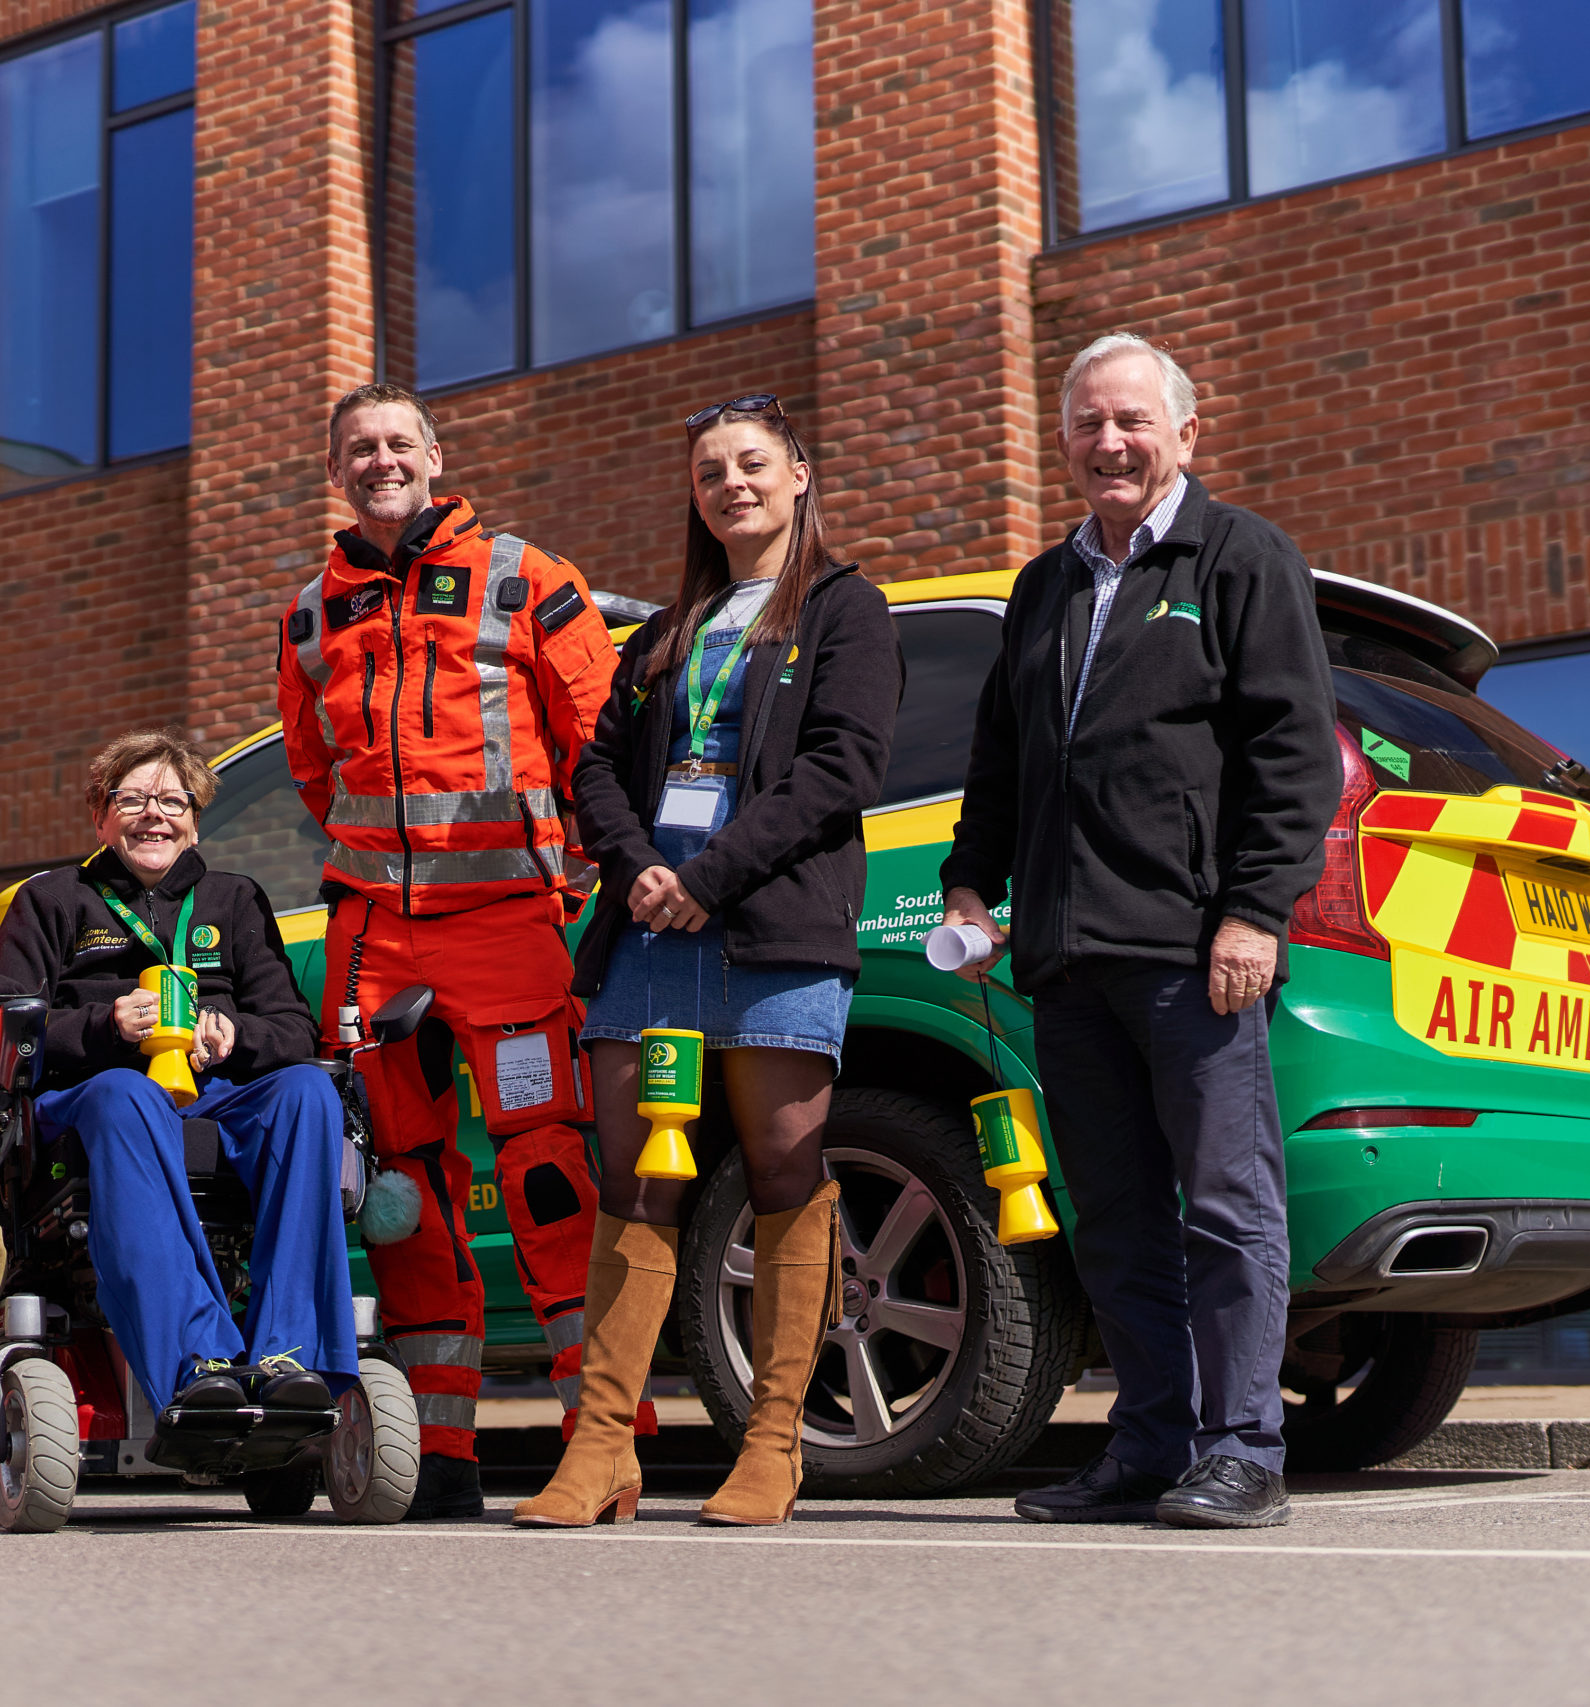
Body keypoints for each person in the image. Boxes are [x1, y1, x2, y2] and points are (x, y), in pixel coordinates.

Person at [938, 333, 1339, 1529]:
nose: (1108, 443)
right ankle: (1149, 1445)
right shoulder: (1044, 584)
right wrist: (971, 882)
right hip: (1065, 960)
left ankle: (1243, 1450)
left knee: (1225, 1207)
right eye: (1086, 425)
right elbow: (1004, 757)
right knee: (1113, 1218)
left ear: (1184, 433)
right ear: (1062, 440)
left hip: (1191, 953)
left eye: (1130, 422)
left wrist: (1252, 911)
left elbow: (1290, 756)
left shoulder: (1240, 557)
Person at [519, 393, 900, 1529]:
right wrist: (638, 865)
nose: (731, 484)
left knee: (784, 1167)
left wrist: (709, 875)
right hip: (647, 938)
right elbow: (592, 767)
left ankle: (774, 1443)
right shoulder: (664, 631)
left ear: (797, 475)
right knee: (637, 1179)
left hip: (772, 930)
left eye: (750, 464)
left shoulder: (845, 608)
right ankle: (600, 1452)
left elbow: (843, 767)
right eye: (709, 473)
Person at [278, 382, 618, 1520]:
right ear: (339, 471)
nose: (380, 461)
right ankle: (440, 1454)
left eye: (395, 443)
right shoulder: (311, 613)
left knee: (549, 1177)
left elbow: (597, 743)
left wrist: (577, 874)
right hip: (375, 942)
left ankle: (598, 1441)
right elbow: (316, 776)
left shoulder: (527, 578)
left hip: (511, 929)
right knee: (400, 1192)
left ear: (434, 454)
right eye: (358, 450)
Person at [0, 730, 356, 1419]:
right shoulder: (54, 900)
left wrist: (237, 1034)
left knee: (307, 1091)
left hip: (216, 1094)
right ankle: (196, 1357)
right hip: (95, 1100)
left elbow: (294, 1030)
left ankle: (291, 1353)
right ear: (100, 814)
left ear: (196, 818)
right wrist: (103, 1025)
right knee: (128, 1093)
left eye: (173, 801)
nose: (156, 815)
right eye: (134, 798)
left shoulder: (234, 900)